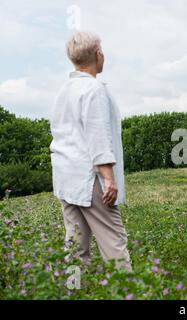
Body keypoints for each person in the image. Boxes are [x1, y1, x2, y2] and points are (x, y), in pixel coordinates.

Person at [49, 31, 131, 270]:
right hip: (90, 178)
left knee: (76, 246)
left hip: (65, 178)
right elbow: (97, 136)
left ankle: (73, 291)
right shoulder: (94, 90)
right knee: (114, 242)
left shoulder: (63, 92)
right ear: (98, 55)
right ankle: (127, 294)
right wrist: (109, 179)